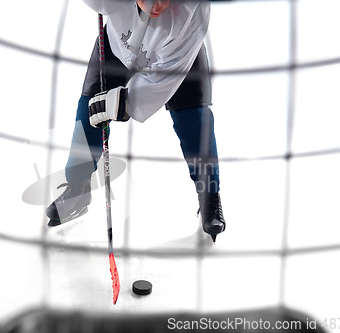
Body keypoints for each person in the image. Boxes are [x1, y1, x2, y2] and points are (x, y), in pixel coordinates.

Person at [46, 0, 226, 241]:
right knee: (88, 112)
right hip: (117, 46)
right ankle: (78, 189)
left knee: (195, 120)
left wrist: (125, 103)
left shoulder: (193, 10)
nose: (157, 3)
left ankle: (209, 196)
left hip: (178, 57)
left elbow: (167, 77)